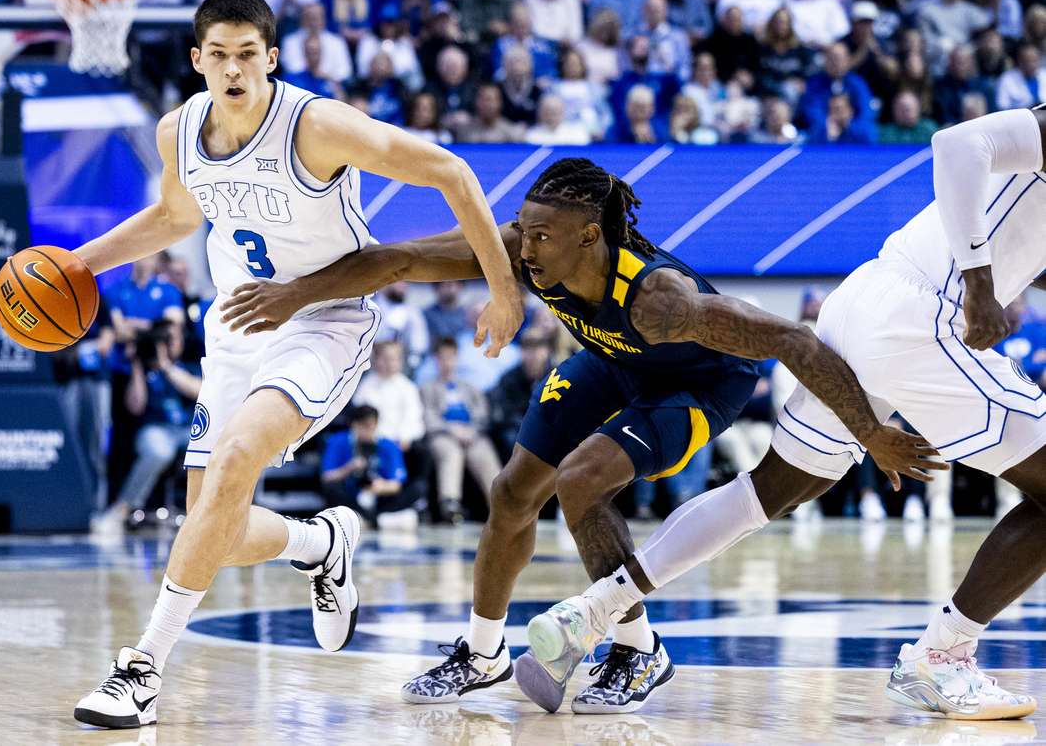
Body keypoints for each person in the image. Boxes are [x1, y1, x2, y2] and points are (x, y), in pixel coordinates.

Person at [218, 157, 931, 714]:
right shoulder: (530, 253)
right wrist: (292, 295)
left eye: (539, 236)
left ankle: (635, 648)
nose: (522, 248)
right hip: (614, 362)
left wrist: (870, 429)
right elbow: (396, 259)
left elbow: (792, 340)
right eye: (522, 230)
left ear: (590, 237)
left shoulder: (662, 300)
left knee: (582, 479)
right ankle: (483, 648)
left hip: (700, 383)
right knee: (510, 490)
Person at [71, 0, 522, 730]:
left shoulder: (316, 126)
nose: (234, 68)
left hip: (324, 321)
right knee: (207, 521)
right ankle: (322, 541)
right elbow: (176, 216)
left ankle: (143, 669)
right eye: (218, 54)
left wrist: (503, 291)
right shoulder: (177, 131)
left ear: (273, 59)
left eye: (248, 54)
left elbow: (453, 173)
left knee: (239, 457)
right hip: (235, 327)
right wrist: (79, 265)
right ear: (197, 61)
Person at [519, 106, 1046, 721]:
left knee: (773, 489)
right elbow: (957, 142)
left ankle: (596, 608)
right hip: (921, 315)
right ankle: (943, 655)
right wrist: (982, 283)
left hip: (865, 302)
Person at [91, 320, 201, 538]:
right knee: (159, 450)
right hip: (154, 429)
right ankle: (121, 510)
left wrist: (167, 366)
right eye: (164, 340)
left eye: (172, 339)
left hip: (189, 429)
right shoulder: (144, 369)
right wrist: (137, 366)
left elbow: (200, 392)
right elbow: (135, 405)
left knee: (216, 446)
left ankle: (208, 514)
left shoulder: (187, 366)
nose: (169, 344)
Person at [422, 338, 503, 524]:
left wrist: (471, 430)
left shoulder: (469, 388)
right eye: (443, 358)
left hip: (471, 434)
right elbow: (428, 416)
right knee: (451, 452)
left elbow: (482, 414)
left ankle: (499, 502)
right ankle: (450, 503)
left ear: (457, 359)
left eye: (451, 358)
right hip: (442, 434)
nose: (447, 363)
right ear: (436, 360)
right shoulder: (428, 388)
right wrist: (451, 429)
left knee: (483, 453)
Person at [321, 405, 419, 529]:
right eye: (364, 426)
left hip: (380, 494)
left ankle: (369, 519)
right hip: (351, 493)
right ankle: (377, 520)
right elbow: (327, 477)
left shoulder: (388, 445)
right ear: (354, 425)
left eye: (371, 426)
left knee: (417, 488)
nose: (368, 431)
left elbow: (396, 484)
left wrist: (381, 486)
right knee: (332, 489)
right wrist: (348, 468)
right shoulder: (338, 441)